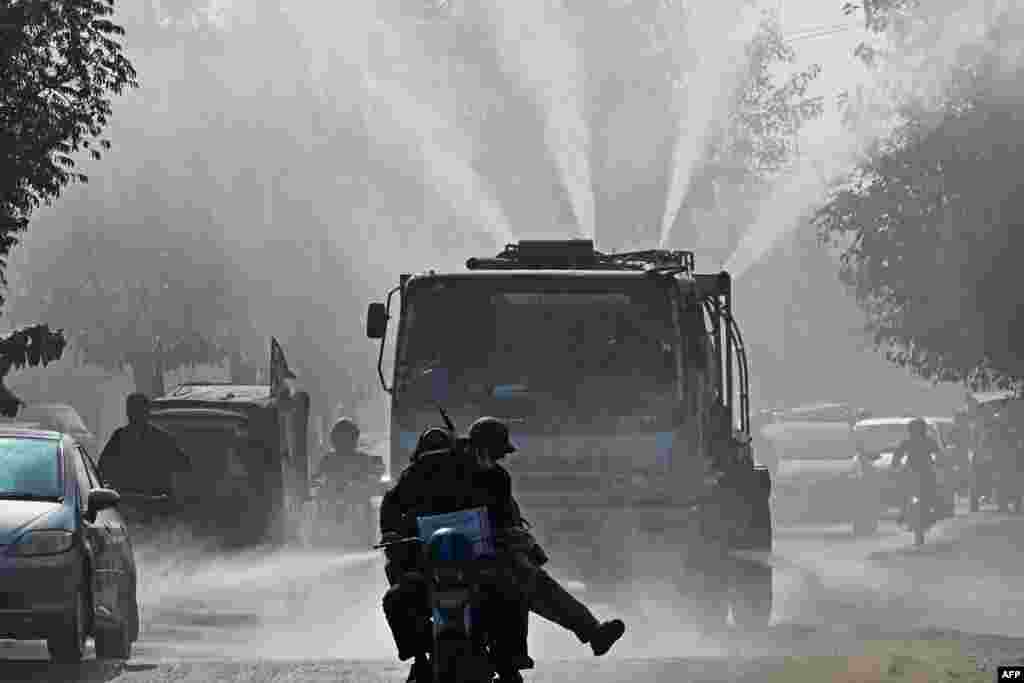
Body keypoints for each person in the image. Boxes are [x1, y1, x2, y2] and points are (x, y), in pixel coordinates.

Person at [380, 417, 625, 683]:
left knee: (521, 583)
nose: (498, 458)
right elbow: (391, 507)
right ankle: (420, 654)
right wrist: (392, 537)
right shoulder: (425, 470)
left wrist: (519, 541)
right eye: (495, 452)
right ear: (476, 447)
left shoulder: (498, 478)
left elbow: (510, 520)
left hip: (483, 561)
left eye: (500, 454)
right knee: (397, 599)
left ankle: (516, 657)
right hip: (429, 564)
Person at [97, 392, 191, 498]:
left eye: (137, 410)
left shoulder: (121, 436)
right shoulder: (160, 437)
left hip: (145, 500)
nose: (134, 415)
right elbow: (103, 466)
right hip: (140, 500)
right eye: (133, 411)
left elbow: (182, 463)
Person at [892, 417, 940, 526]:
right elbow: (897, 455)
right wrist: (895, 465)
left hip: (925, 471)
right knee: (904, 491)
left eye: (917, 429)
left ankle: (930, 510)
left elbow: (939, 455)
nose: (916, 431)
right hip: (912, 471)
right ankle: (903, 512)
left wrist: (939, 463)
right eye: (914, 429)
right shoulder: (908, 442)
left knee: (932, 491)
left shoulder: (928, 441)